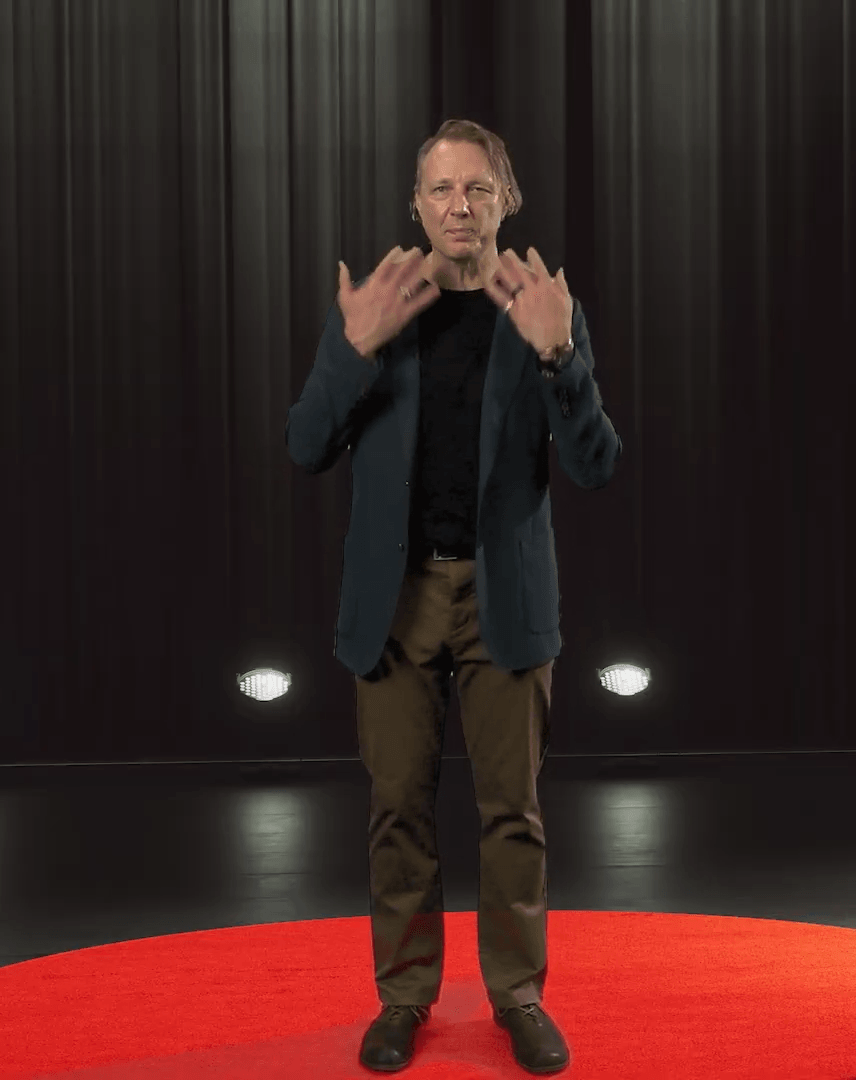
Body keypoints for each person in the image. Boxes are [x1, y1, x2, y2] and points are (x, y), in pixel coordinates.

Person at [285, 118, 621, 1074]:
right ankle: (404, 998)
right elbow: (305, 446)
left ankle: (518, 996)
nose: (459, 205)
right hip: (394, 601)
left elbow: (596, 464)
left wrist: (559, 356)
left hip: (503, 596)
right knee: (398, 808)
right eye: (441, 189)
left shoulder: (542, 309)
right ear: (417, 205)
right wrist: (351, 351)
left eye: (478, 188)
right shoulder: (377, 310)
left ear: (506, 200)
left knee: (513, 810)